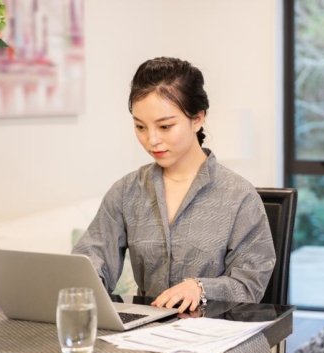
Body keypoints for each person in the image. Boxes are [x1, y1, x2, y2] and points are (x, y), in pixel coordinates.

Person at [72, 57, 276, 313]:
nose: (152, 140)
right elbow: (92, 259)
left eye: (165, 126)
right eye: (140, 127)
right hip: (146, 336)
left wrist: (201, 288)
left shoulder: (239, 196)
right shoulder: (126, 192)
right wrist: (83, 284)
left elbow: (250, 283)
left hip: (216, 335)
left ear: (197, 118)